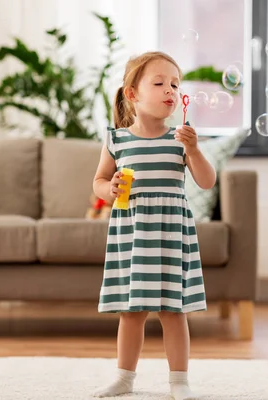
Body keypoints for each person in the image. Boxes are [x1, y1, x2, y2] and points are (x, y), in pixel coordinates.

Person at [91, 51, 216, 400]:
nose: (170, 90)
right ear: (132, 94)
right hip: (132, 235)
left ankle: (179, 381)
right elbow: (99, 182)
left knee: (172, 311)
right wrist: (109, 187)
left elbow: (206, 181)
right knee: (131, 312)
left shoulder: (180, 139)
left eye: (175, 84)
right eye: (159, 83)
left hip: (170, 235)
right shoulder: (117, 139)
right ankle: (124, 379)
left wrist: (194, 151)